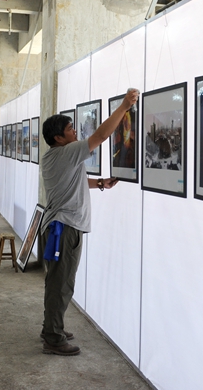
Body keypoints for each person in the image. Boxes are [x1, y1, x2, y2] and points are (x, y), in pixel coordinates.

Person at [39, 88, 139, 356]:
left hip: (59, 225)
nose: (75, 132)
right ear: (59, 138)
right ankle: (53, 338)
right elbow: (101, 136)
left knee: (58, 282)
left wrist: (100, 183)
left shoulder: (54, 156)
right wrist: (124, 106)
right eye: (70, 129)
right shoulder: (67, 152)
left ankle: (52, 328)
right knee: (61, 285)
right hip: (64, 228)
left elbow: (75, 181)